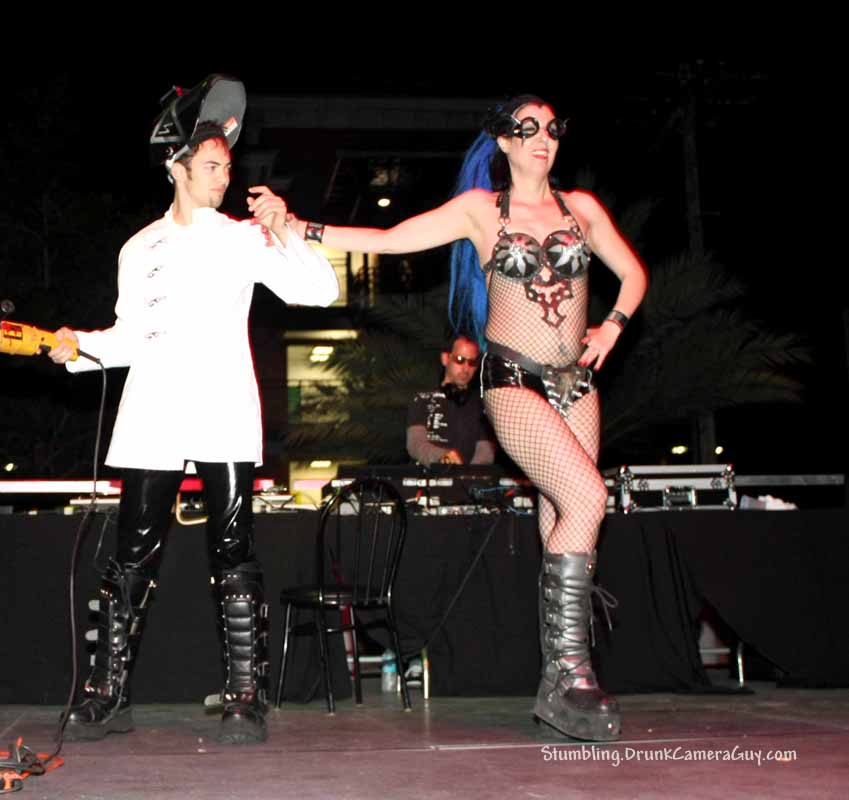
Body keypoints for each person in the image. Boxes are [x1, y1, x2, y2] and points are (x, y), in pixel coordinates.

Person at [288, 95, 648, 741]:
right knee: (589, 497)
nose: (542, 138)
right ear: (503, 141)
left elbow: (632, 274)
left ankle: (556, 687)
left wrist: (613, 325)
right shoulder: (482, 210)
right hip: (513, 380)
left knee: (562, 515)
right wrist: (303, 229)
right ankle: (575, 674)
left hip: (577, 385)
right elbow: (390, 239)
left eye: (551, 128)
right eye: (527, 129)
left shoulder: (582, 209)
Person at [47, 77, 339, 745]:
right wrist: (75, 346)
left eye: (227, 167)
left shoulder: (242, 237)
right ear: (176, 167)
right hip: (152, 410)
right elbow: (127, 339)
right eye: (211, 166)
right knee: (131, 553)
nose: (224, 177)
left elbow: (319, 291)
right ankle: (107, 694)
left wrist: (285, 231)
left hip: (222, 408)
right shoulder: (138, 247)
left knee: (233, 549)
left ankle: (245, 697)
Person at [406, 334, 496, 466]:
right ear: (445, 358)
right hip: (431, 475)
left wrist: (467, 474)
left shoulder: (482, 405)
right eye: (460, 360)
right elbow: (415, 444)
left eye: (472, 362)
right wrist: (442, 457)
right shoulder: (422, 399)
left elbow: (485, 450)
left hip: (468, 477)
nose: (466, 368)